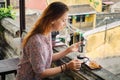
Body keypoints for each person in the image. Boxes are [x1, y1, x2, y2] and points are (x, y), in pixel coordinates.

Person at [16, 1, 81, 80]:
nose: (65, 24)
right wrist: (66, 66)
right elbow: (40, 73)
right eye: (63, 20)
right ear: (53, 20)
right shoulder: (36, 41)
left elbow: (48, 57)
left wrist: (68, 50)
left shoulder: (47, 33)